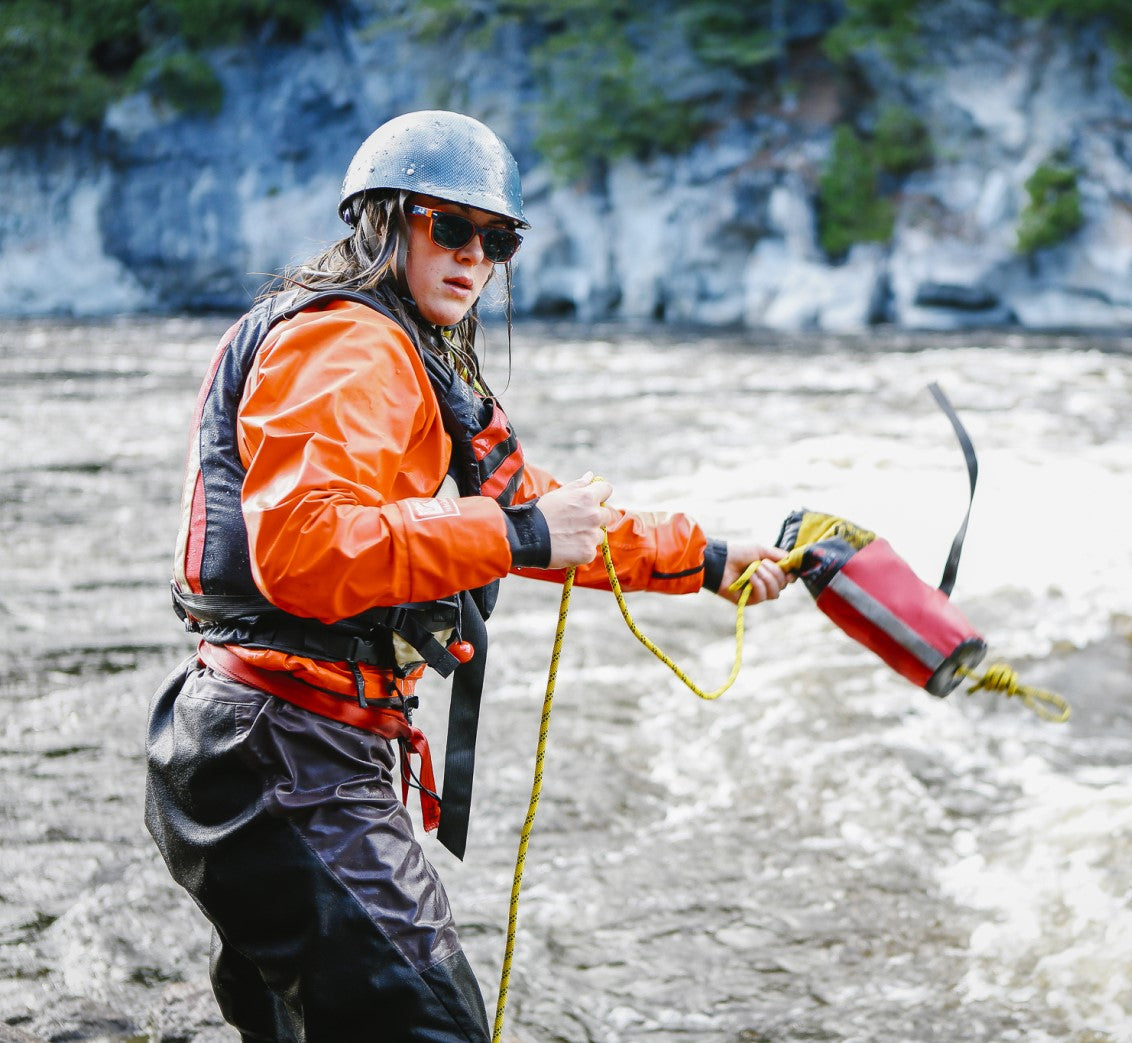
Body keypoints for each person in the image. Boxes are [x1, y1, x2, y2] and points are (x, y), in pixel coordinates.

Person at [143, 110, 792, 1041]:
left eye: (497, 240)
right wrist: (519, 532)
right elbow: (306, 551)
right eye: (448, 227)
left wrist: (710, 561)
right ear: (380, 219)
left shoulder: (406, 348)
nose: (473, 257)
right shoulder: (350, 345)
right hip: (284, 757)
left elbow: (534, 509)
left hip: (277, 753)